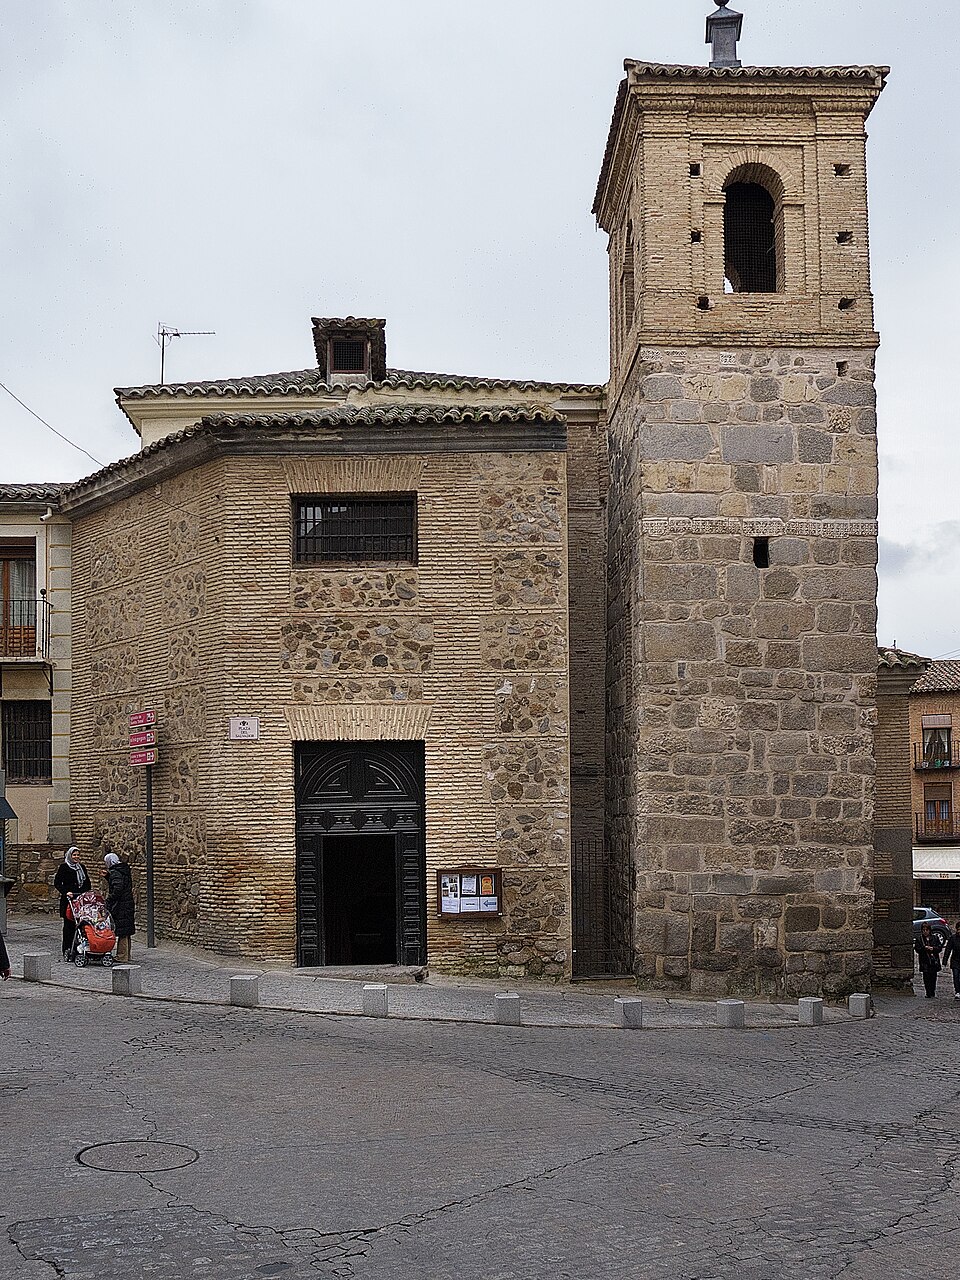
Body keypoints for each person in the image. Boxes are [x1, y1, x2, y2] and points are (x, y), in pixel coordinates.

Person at [53, 846, 91, 960]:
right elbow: (57, 882)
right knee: (69, 926)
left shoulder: (81, 867)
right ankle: (67, 949)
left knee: (81, 925)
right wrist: (66, 892)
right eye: (74, 855)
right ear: (70, 856)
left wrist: (86, 893)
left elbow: (87, 883)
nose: (76, 857)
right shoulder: (64, 867)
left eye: (78, 855)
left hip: (80, 900)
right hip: (68, 901)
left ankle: (80, 948)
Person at [104, 851, 135, 963]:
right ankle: (126, 954)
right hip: (127, 903)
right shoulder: (123, 869)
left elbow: (118, 888)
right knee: (126, 931)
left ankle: (122, 956)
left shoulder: (115, 872)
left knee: (122, 931)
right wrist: (108, 877)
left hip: (121, 905)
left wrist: (109, 899)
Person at [914, 921, 943, 998]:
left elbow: (939, 948)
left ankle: (932, 991)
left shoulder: (935, 938)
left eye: (926, 930)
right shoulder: (919, 939)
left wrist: (933, 948)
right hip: (924, 961)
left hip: (933, 960)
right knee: (926, 977)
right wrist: (924, 948)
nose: (925, 932)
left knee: (933, 977)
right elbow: (917, 949)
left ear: (929, 930)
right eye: (923, 930)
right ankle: (928, 992)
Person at [942, 922, 960, 1001]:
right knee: (956, 976)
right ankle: (957, 991)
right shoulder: (953, 938)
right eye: (958, 929)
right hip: (955, 960)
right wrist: (945, 960)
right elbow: (948, 949)